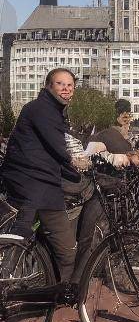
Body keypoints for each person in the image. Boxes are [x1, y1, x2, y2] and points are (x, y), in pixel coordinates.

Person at [2, 68, 82, 300]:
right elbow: (59, 148)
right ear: (48, 86)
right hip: (35, 185)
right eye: (60, 83)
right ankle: (62, 294)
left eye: (69, 84)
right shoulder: (42, 109)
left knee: (25, 238)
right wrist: (77, 166)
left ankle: (37, 284)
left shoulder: (49, 110)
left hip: (33, 181)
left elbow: (61, 144)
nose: (66, 88)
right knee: (65, 248)